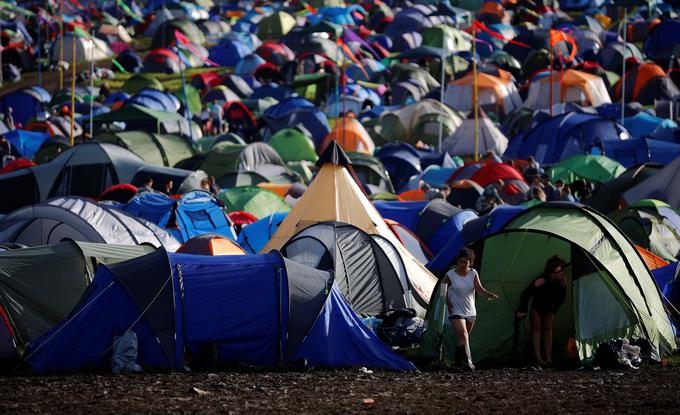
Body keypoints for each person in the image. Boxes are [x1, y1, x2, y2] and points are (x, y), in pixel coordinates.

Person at [443, 248, 498, 370]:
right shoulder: (450, 275)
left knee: (463, 337)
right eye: (461, 262)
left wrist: (489, 294)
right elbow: (443, 288)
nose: (463, 264)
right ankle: (468, 362)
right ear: (457, 262)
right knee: (463, 334)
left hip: (470, 311)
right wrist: (447, 302)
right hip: (455, 309)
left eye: (466, 262)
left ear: (470, 263)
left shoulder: (473, 273)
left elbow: (479, 289)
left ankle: (458, 362)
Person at [516, 255, 568, 366]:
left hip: (550, 308)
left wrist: (553, 311)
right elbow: (527, 293)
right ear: (551, 273)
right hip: (538, 307)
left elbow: (562, 299)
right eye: (558, 272)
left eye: (561, 271)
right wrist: (523, 309)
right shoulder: (543, 280)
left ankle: (548, 358)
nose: (561, 274)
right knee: (537, 328)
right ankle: (538, 358)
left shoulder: (562, 281)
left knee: (548, 329)